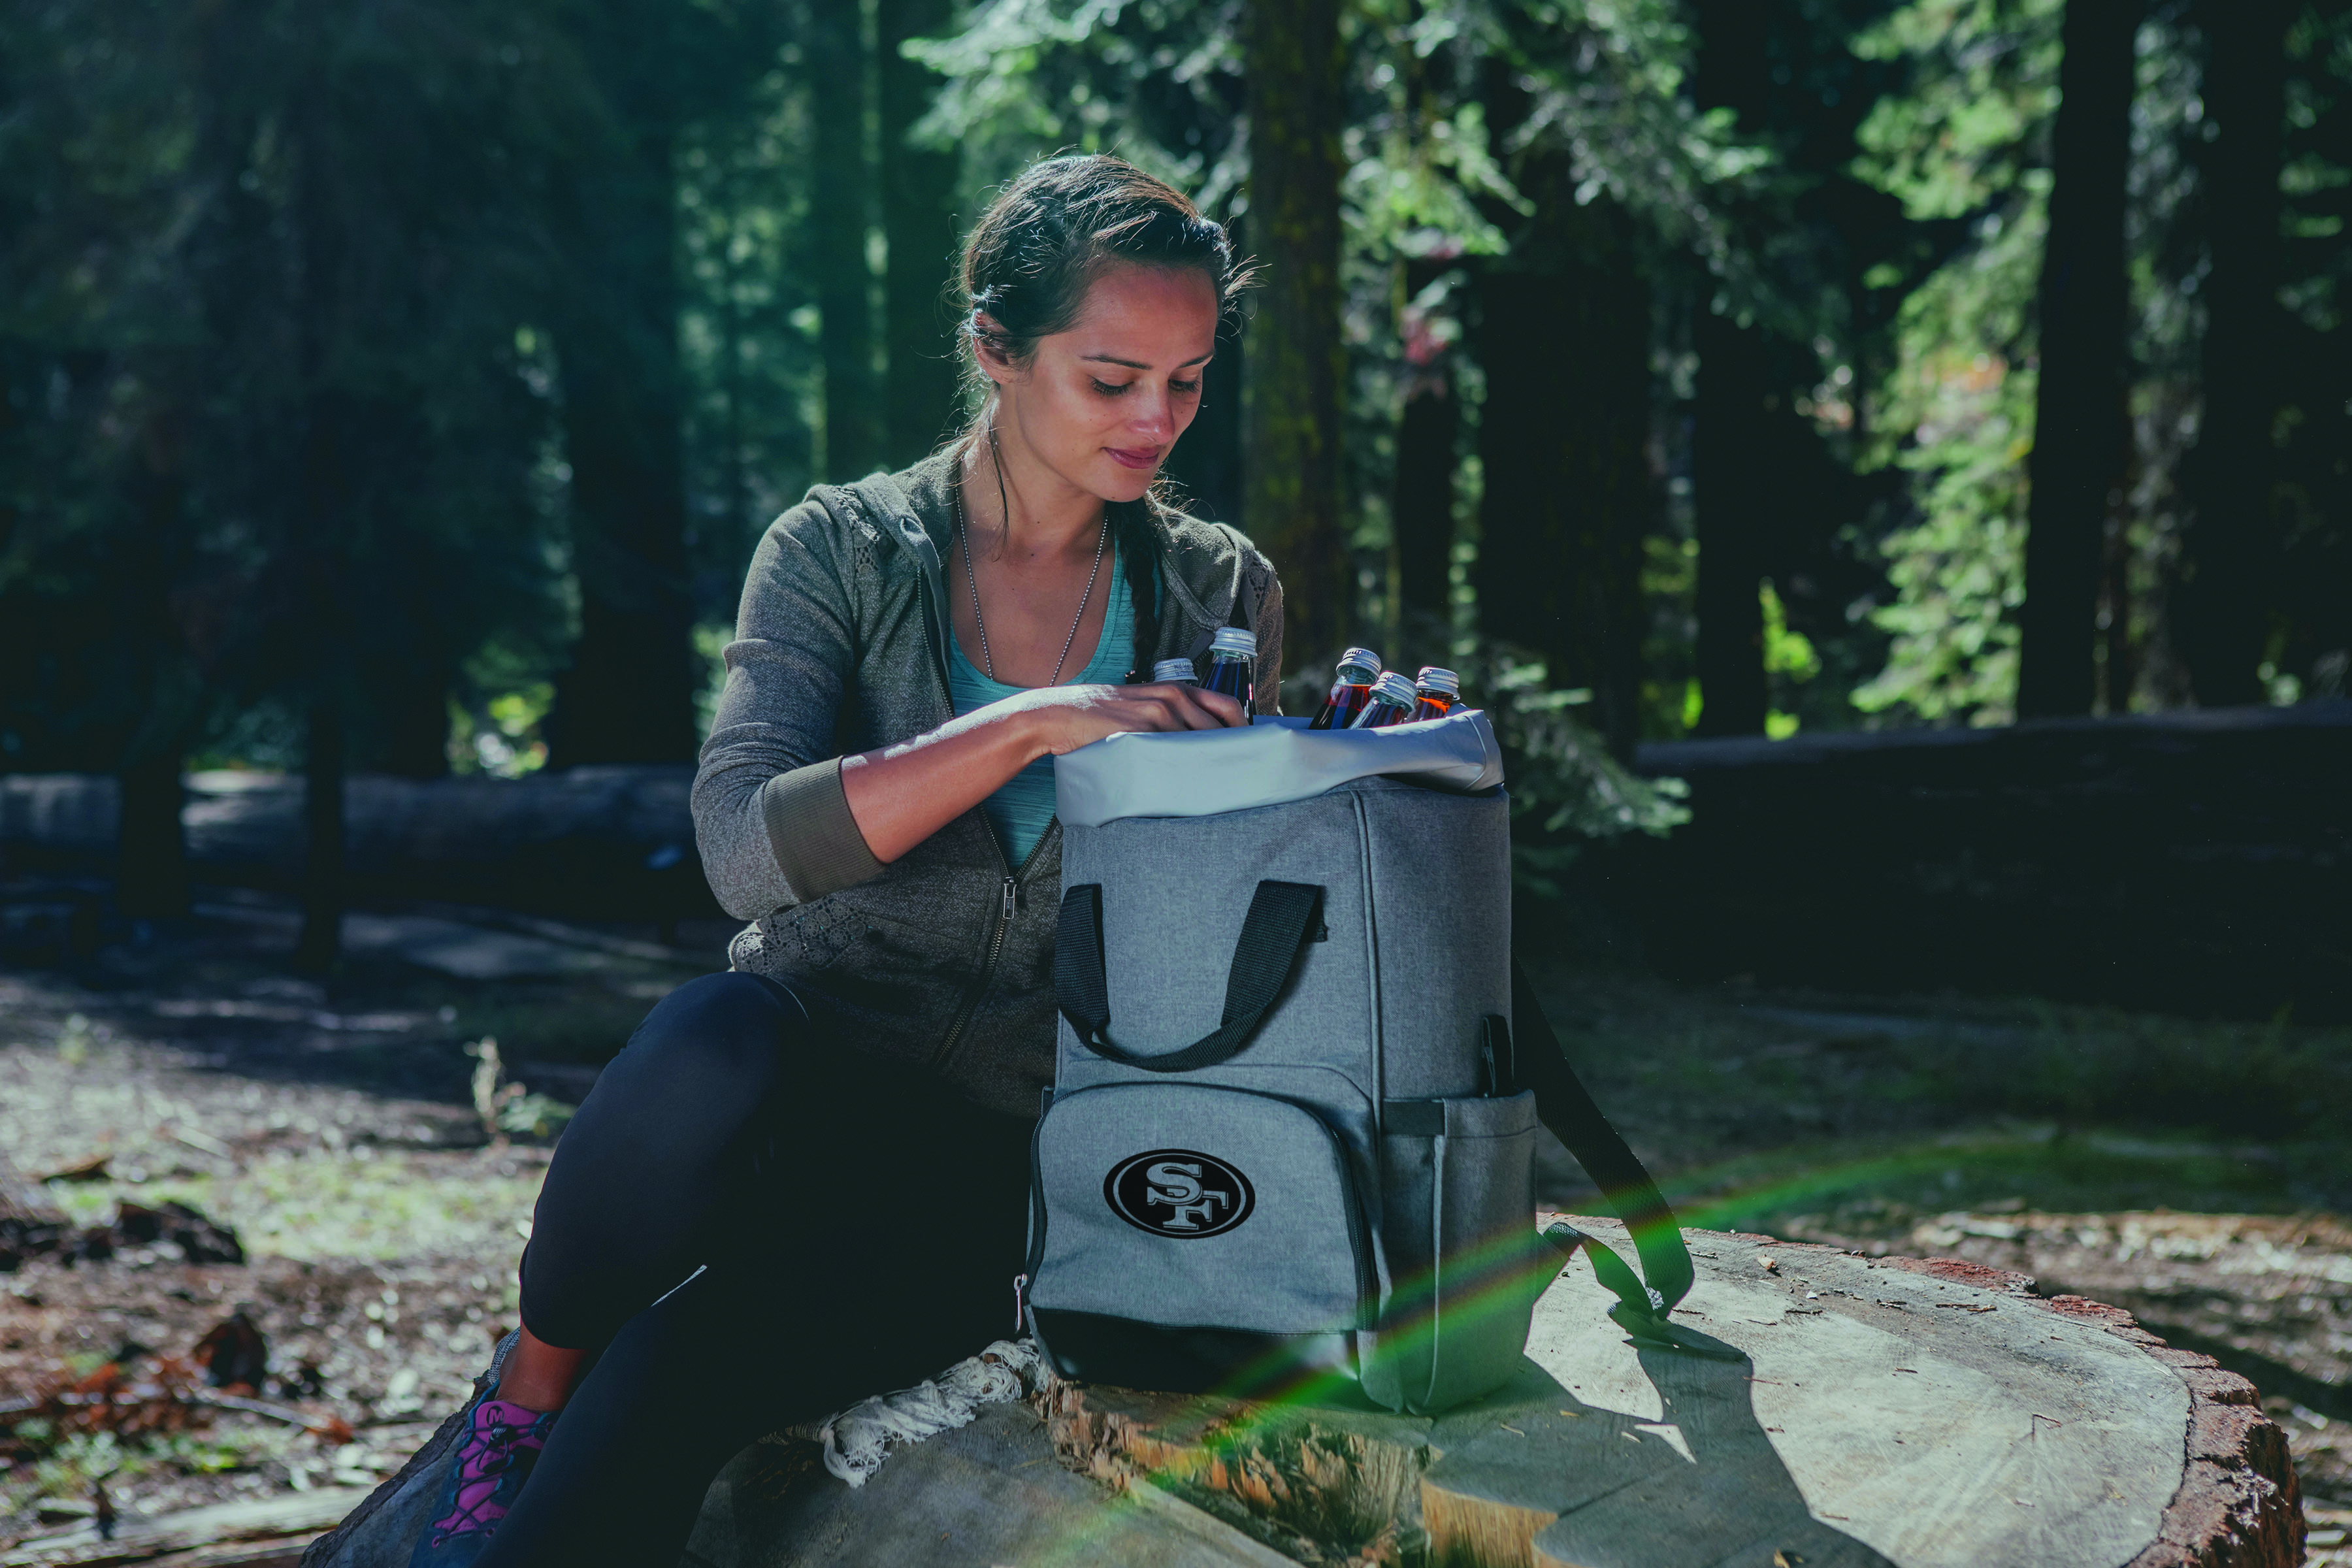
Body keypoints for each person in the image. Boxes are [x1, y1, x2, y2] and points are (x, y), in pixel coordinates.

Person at [304, 154, 1280, 1568]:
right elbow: (740, 850)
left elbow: (1215, 921)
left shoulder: (1216, 591)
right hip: (782, 1095)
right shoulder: (840, 551)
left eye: (1185, 382)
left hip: (1005, 1162)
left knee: (677, 1382)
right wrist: (1028, 728)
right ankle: (519, 1402)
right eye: (1112, 375)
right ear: (995, 350)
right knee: (712, 1035)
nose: (1155, 420)